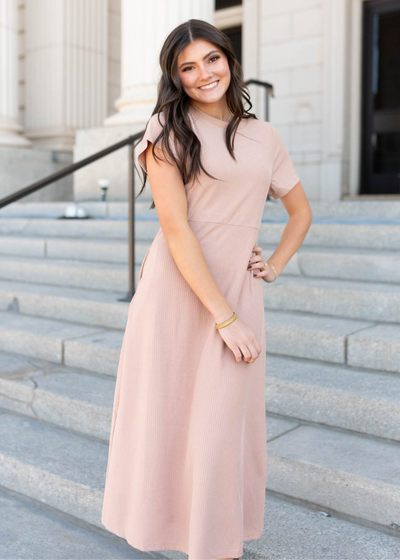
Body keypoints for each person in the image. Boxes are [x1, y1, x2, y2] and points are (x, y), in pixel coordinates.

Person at [101, 18, 312, 560]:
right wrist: (223, 316)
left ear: (228, 58)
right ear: (176, 76)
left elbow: (300, 212)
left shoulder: (265, 136)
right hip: (179, 292)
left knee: (222, 427)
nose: (202, 74)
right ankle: (177, 534)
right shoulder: (167, 131)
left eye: (211, 60)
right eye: (187, 67)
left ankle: (216, 545)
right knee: (168, 417)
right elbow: (176, 231)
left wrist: (276, 264)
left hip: (238, 290)